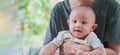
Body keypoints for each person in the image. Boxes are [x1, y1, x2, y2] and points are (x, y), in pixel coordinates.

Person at [42, 0, 120, 55]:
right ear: (68, 22)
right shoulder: (58, 10)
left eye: (84, 23)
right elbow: (47, 48)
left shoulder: (111, 7)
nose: (78, 25)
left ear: (93, 27)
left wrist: (82, 49)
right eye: (74, 21)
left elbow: (116, 52)